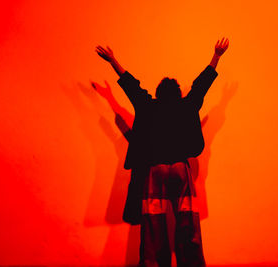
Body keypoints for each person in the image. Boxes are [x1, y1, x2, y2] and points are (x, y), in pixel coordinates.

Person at [95, 38, 229, 267]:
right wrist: (217, 56)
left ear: (158, 93)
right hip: (179, 169)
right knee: (188, 222)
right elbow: (201, 85)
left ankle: (152, 263)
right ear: (177, 93)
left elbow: (131, 87)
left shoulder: (148, 105)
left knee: (153, 225)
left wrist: (112, 61)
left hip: (155, 172)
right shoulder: (187, 105)